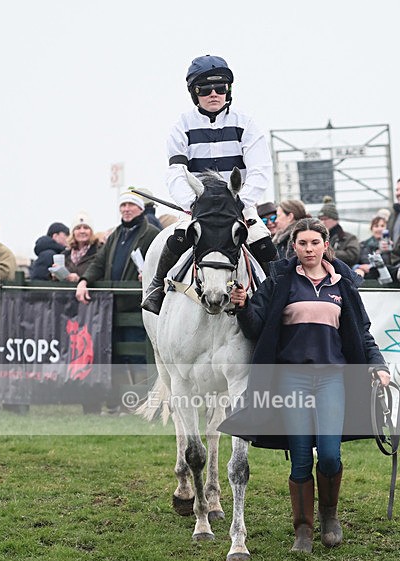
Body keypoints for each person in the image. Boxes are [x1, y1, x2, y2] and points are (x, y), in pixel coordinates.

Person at [223, 217, 390, 554]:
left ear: (325, 245)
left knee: (329, 455)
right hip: (291, 380)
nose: (309, 249)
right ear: (294, 246)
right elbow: (256, 326)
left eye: (315, 242)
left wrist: (378, 366)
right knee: (300, 458)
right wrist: (242, 307)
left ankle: (329, 517)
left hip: (332, 379)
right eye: (303, 243)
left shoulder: (342, 284)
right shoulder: (280, 282)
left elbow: (361, 332)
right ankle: (303, 530)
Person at [141, 54, 276, 314]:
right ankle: (157, 287)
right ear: (194, 93)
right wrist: (191, 203)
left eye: (220, 88)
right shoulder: (182, 126)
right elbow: (176, 172)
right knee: (179, 236)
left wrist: (240, 201)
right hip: (199, 206)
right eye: (205, 89)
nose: (213, 94)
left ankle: (281, 298)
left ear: (228, 91)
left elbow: (260, 170)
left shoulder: (246, 124)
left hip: (239, 205)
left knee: (263, 241)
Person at [76, 189, 159, 413]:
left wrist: (149, 273)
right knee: (119, 355)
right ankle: (124, 403)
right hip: (114, 307)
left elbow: (161, 260)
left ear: (141, 209)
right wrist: (84, 280)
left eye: (131, 205)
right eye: (123, 206)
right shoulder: (115, 235)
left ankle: (144, 403)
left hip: (138, 305)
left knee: (139, 355)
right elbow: (99, 263)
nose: (126, 209)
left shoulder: (150, 233)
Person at [317, 197, 360, 267]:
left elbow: (353, 256)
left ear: (335, 219)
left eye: (325, 219)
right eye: (320, 219)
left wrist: (326, 252)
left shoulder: (348, 238)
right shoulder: (318, 237)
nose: (322, 222)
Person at [63, 213, 102, 283]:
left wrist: (80, 280)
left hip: (91, 293)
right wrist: (55, 276)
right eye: (78, 228)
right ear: (73, 233)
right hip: (67, 293)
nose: (82, 231)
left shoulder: (100, 252)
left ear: (91, 232)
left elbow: (102, 276)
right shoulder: (65, 255)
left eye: (86, 228)